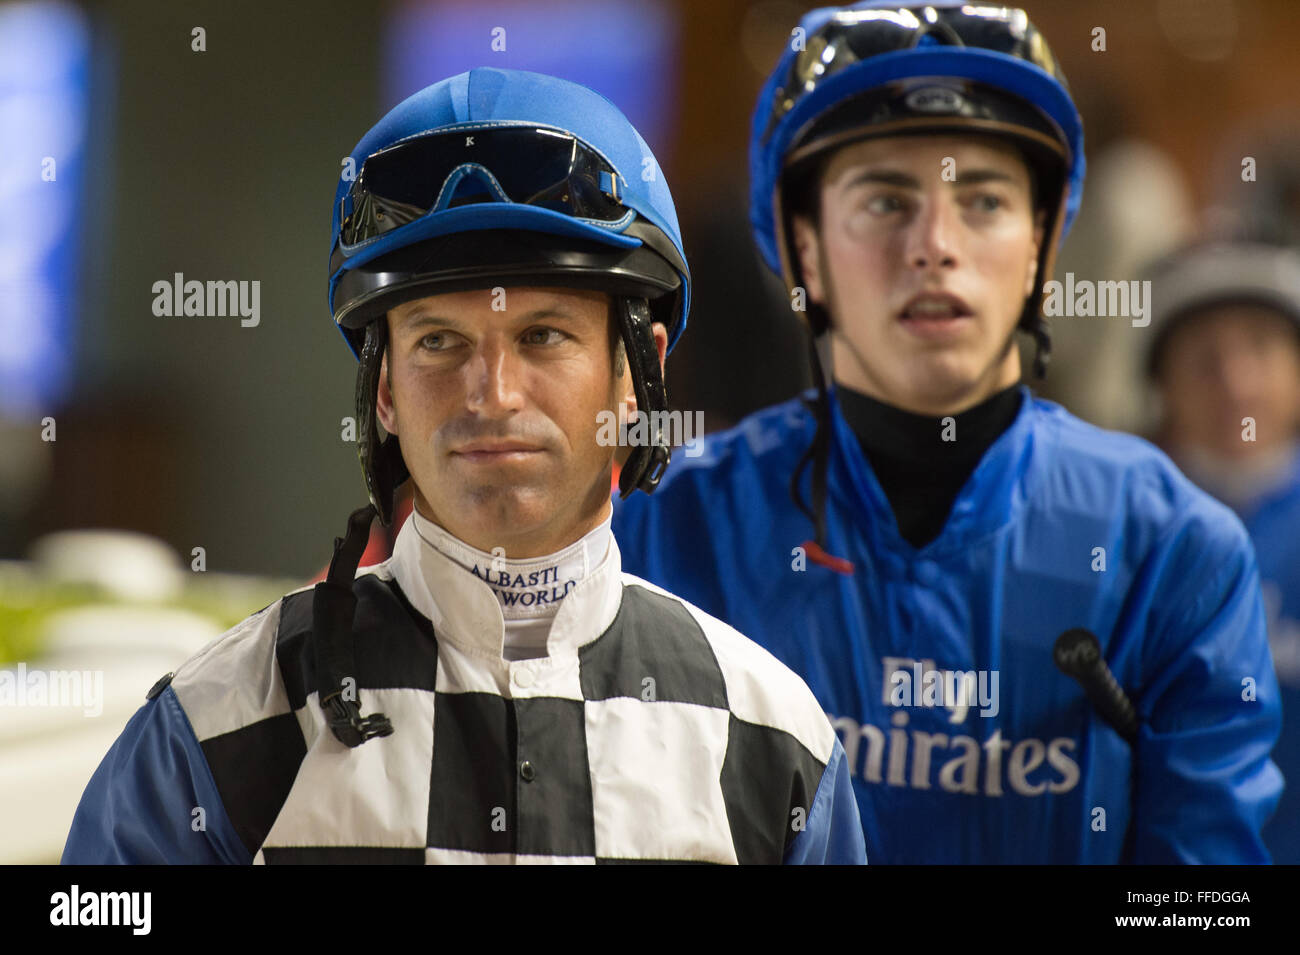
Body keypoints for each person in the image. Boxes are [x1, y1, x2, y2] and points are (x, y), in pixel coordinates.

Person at [61, 67, 865, 865]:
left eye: (544, 334)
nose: (492, 392)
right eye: (438, 341)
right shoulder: (209, 731)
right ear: (384, 390)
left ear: (636, 378)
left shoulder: (774, 741)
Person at [612, 1, 1282, 862]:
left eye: (984, 200)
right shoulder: (662, 524)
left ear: (1043, 245)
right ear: (805, 248)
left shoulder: (1176, 554)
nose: (934, 245)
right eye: (887, 200)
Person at [1144, 238, 1300, 864]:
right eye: (1206, 359)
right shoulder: (1125, 531)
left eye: (1260, 348)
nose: (1236, 384)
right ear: (1163, 384)